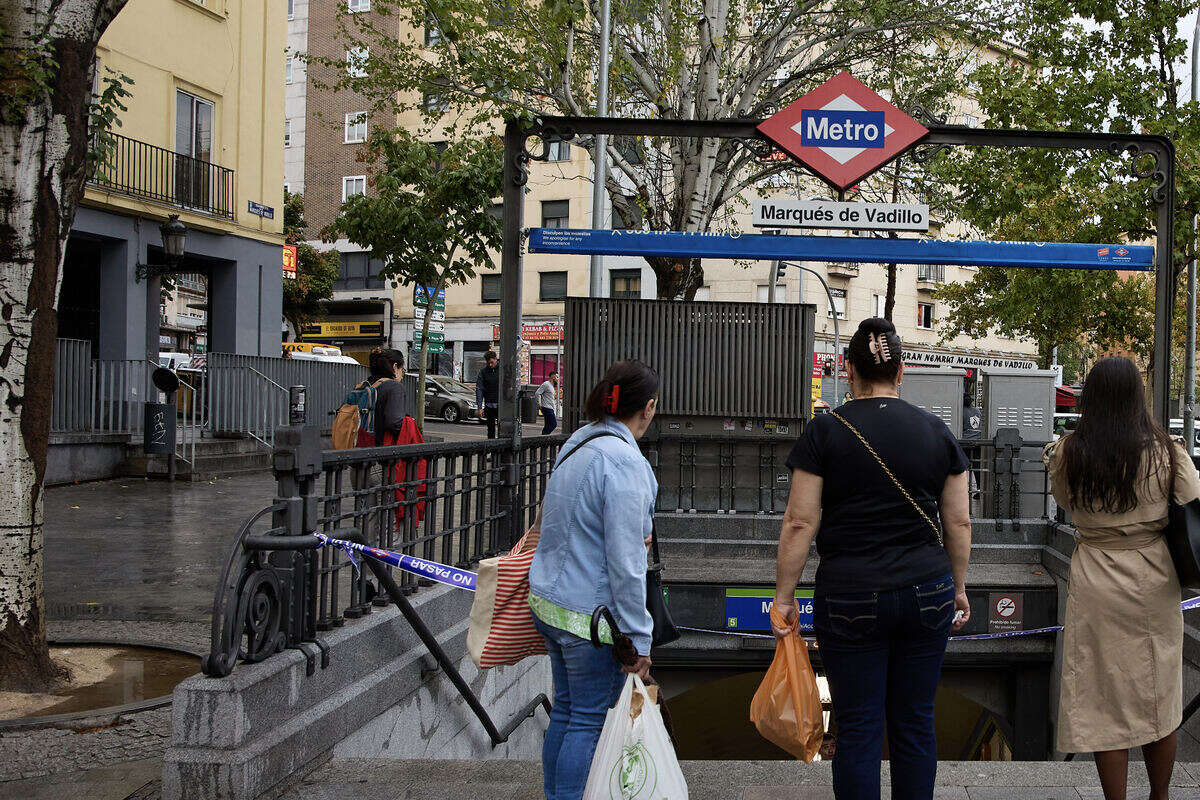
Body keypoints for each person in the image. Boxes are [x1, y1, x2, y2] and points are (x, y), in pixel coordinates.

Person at [773, 317, 972, 800]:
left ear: (847, 368)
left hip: (849, 593)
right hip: (928, 590)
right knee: (915, 723)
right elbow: (960, 523)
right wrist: (959, 588)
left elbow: (800, 522)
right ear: (901, 372)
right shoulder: (937, 433)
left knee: (859, 728)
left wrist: (784, 596)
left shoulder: (825, 431)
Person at [1043, 356, 1200, 800]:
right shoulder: (1166, 451)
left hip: (1096, 577)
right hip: (1152, 578)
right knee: (1159, 695)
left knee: (1103, 699)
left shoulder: (1069, 453)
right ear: (1138, 398)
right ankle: (1160, 795)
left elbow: (1064, 500)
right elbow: (1192, 498)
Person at [528, 360, 660, 800]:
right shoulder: (624, 462)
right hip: (590, 618)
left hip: (550, 604)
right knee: (588, 719)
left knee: (566, 710)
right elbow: (626, 562)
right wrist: (640, 639)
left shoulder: (576, 448)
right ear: (649, 408)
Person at [475, 351, 500, 438]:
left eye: (492, 362)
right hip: (489, 405)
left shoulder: (502, 370)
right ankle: (493, 450)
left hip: (501, 405)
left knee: (503, 430)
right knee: (490, 430)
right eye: (488, 363)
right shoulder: (483, 372)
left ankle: (500, 450)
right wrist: (480, 407)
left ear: (496, 359)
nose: (490, 365)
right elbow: (479, 389)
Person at [537, 370, 561, 435]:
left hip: (550, 408)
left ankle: (543, 438)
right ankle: (544, 436)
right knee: (553, 424)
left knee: (547, 425)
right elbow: (537, 393)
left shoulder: (551, 386)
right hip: (546, 407)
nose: (558, 379)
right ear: (553, 377)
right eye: (557, 377)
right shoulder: (546, 384)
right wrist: (539, 404)